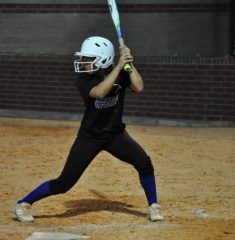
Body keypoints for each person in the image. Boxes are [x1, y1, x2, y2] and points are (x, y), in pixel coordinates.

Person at [13, 36, 164, 222]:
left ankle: (153, 206)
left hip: (115, 135)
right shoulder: (84, 80)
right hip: (90, 137)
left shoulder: (121, 73)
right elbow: (100, 92)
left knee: (144, 163)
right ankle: (23, 204)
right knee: (64, 183)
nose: (83, 62)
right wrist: (118, 67)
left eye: (88, 58)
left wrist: (128, 62)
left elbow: (139, 87)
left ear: (103, 60)